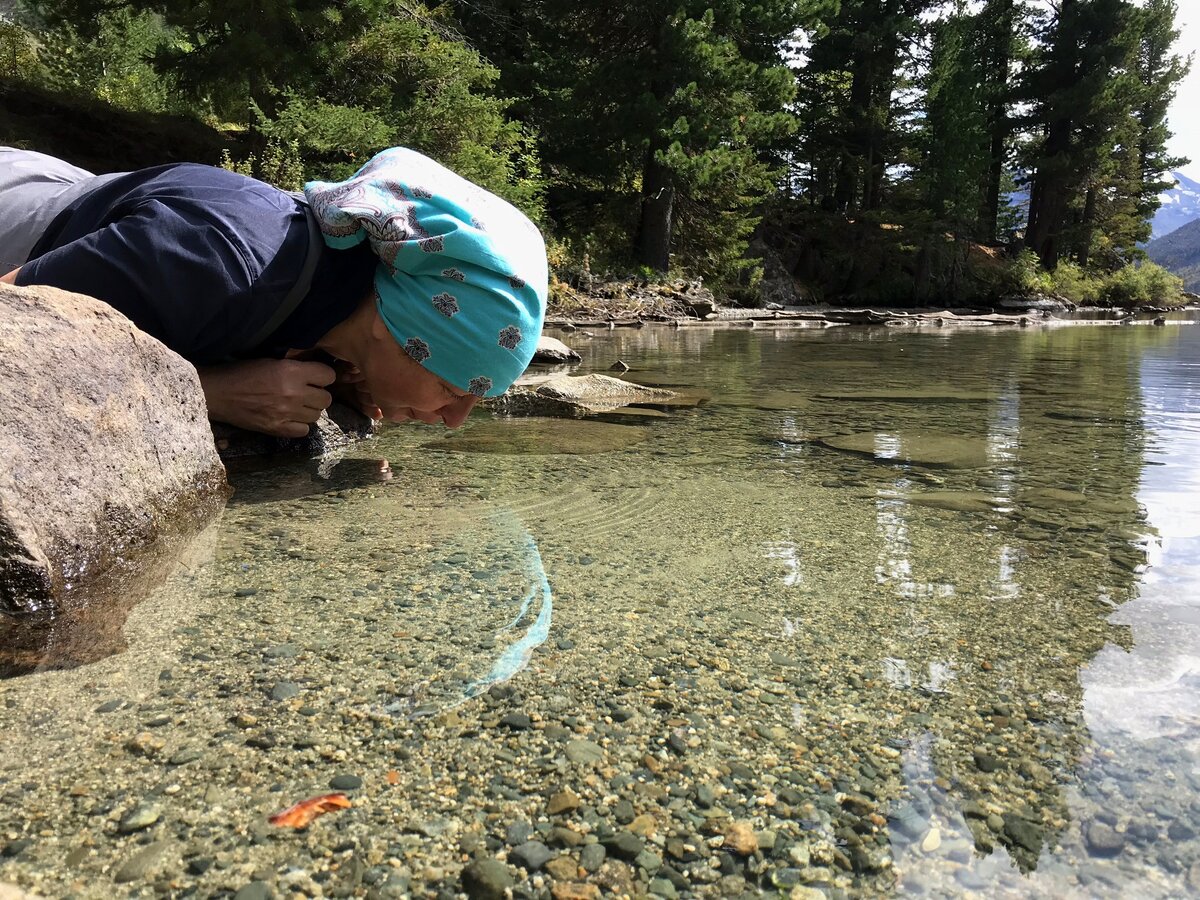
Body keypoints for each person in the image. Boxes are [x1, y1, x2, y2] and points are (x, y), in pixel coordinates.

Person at [0, 146, 548, 437]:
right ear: (402, 327)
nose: (456, 418)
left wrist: (343, 368)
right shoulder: (218, 261)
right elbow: (13, 329)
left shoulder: (329, 289)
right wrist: (206, 393)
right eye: (458, 388)